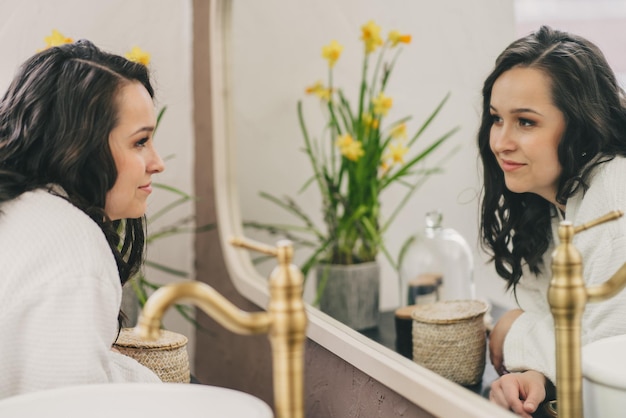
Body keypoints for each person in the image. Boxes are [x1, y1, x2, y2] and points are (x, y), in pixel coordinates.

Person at [0, 39, 166, 399]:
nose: (157, 162)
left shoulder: (19, 212)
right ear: (80, 145)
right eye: (140, 142)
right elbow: (65, 405)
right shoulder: (71, 250)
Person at [478, 25, 626, 417]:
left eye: (525, 122)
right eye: (496, 119)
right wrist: (533, 377)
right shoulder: (549, 198)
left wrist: (514, 332)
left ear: (580, 124)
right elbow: (557, 322)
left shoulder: (616, 197)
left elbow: (609, 361)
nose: (500, 141)